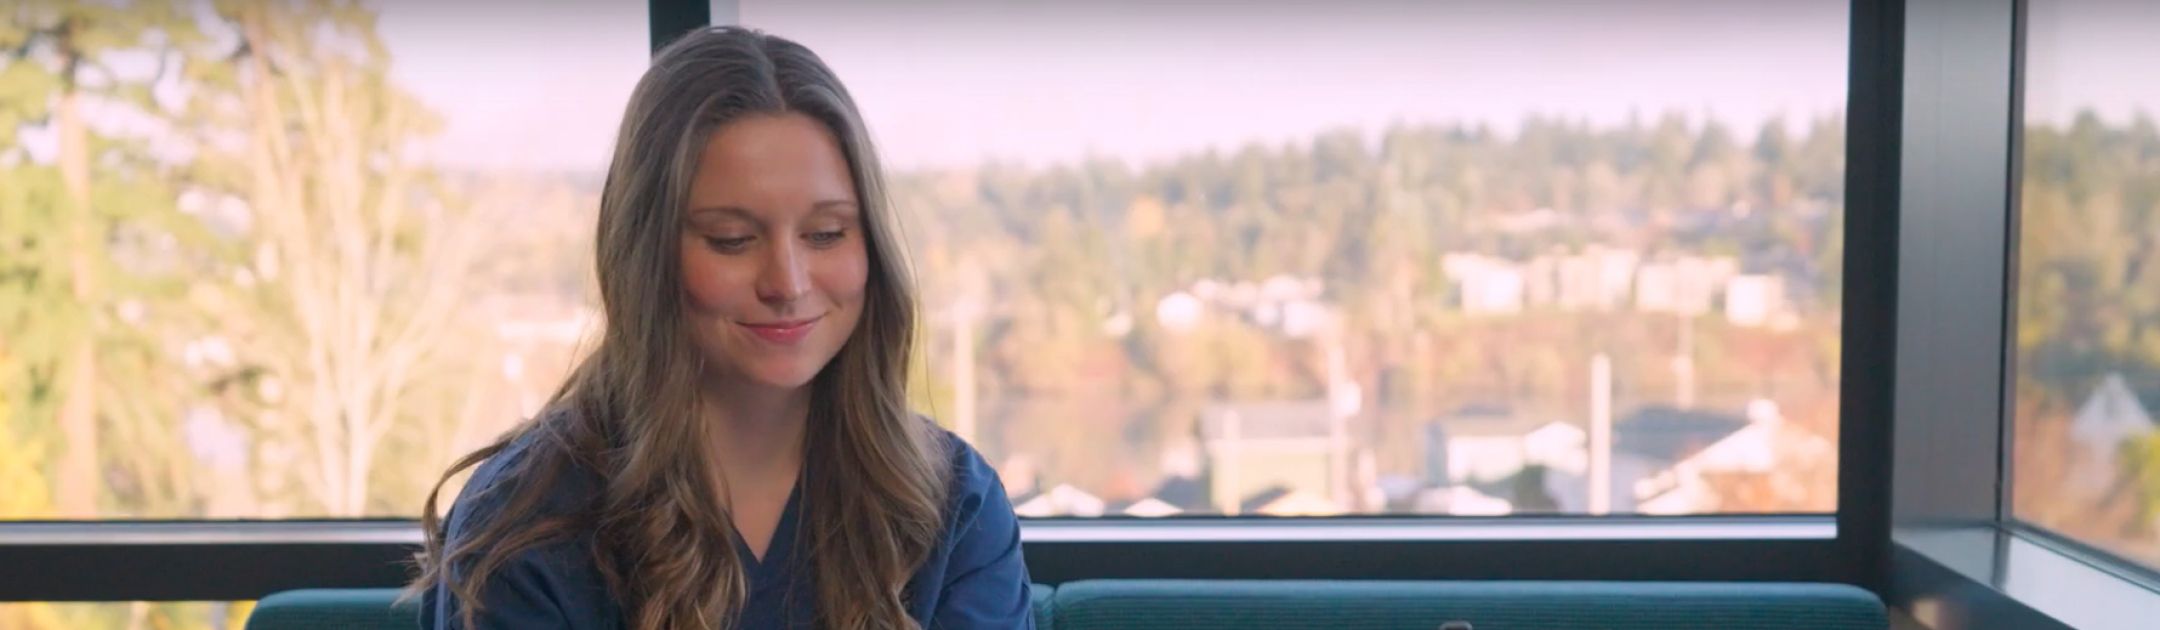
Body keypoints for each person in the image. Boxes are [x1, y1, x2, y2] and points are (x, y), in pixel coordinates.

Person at [407, 26, 1033, 630]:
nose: (788, 283)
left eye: (825, 234)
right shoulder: (525, 528)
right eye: (731, 240)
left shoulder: (956, 505)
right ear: (645, 254)